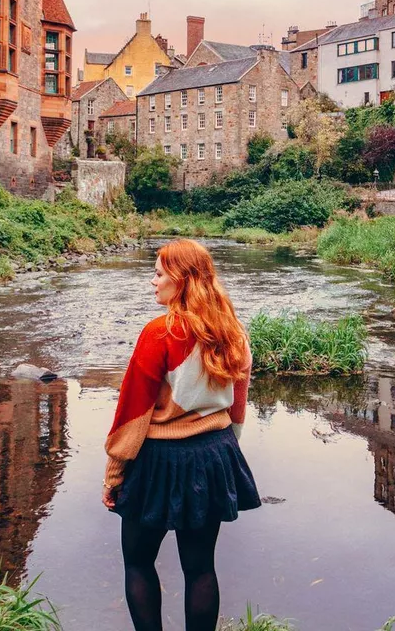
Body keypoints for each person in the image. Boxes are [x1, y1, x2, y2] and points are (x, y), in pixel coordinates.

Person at [102, 239, 261, 631]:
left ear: (182, 279)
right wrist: (225, 456)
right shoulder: (232, 331)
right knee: (200, 567)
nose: (151, 281)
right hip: (214, 454)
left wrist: (114, 475)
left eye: (158, 273)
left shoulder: (159, 334)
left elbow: (132, 413)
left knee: (138, 561)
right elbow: (237, 406)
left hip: (158, 459)